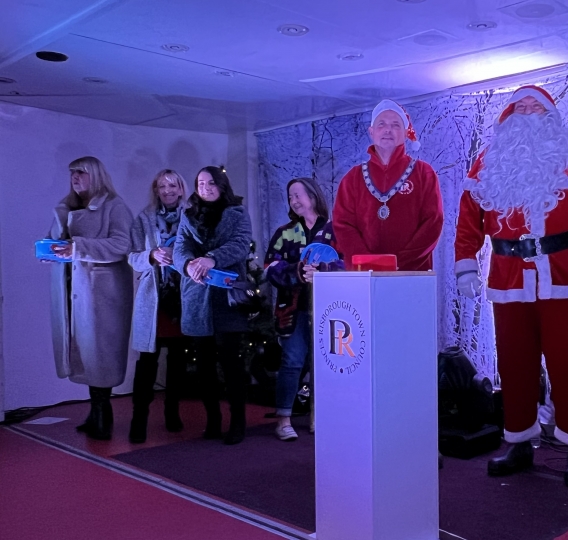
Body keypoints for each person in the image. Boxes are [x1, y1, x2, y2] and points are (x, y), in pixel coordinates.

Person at [455, 85, 568, 486]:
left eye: (536, 105)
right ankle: (519, 442)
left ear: (550, 113)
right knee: (514, 363)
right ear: (507, 116)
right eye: (520, 106)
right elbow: (467, 217)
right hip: (508, 275)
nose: (527, 111)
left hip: (563, 273)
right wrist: (464, 268)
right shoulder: (487, 162)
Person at [47, 156, 134, 440]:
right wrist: (49, 251)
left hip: (102, 292)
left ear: (95, 175)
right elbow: (59, 242)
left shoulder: (114, 206)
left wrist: (79, 247)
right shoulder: (67, 206)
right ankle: (95, 412)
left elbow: (122, 244)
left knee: (101, 352)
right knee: (85, 351)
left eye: (81, 173)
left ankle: (102, 415)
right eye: (72, 173)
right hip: (74, 288)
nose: (75, 178)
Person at [174, 166, 253, 445]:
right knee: (204, 365)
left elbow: (242, 244)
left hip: (227, 297)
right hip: (196, 295)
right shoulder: (188, 214)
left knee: (232, 364)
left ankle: (238, 422)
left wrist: (212, 258)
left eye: (210, 183)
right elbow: (180, 248)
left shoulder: (237, 212)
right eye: (200, 183)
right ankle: (213, 420)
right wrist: (187, 264)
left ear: (221, 185)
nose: (205, 187)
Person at [264, 177, 343, 441]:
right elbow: (269, 268)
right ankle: (284, 419)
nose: (295, 201)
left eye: (299, 195)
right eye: (290, 197)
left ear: (313, 194)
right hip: (294, 309)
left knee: (327, 364)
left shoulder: (336, 229)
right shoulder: (285, 232)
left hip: (330, 310)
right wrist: (297, 271)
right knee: (292, 362)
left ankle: (321, 416)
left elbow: (347, 261)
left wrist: (325, 270)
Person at [333, 99, 443, 271]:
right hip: (364, 275)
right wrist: (368, 262)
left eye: (395, 125)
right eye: (381, 124)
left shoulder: (423, 173)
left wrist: (399, 263)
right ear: (371, 131)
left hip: (411, 273)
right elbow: (343, 224)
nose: (388, 130)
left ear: (406, 133)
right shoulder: (352, 178)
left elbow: (432, 223)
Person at [127, 169, 191, 444]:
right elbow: (130, 256)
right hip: (154, 299)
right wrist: (151, 255)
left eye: (172, 185)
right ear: (156, 190)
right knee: (147, 363)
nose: (167, 190)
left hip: (183, 298)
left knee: (177, 361)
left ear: (181, 188)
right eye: (162, 186)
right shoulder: (143, 218)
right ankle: (138, 418)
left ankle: (172, 411)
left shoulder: (192, 215)